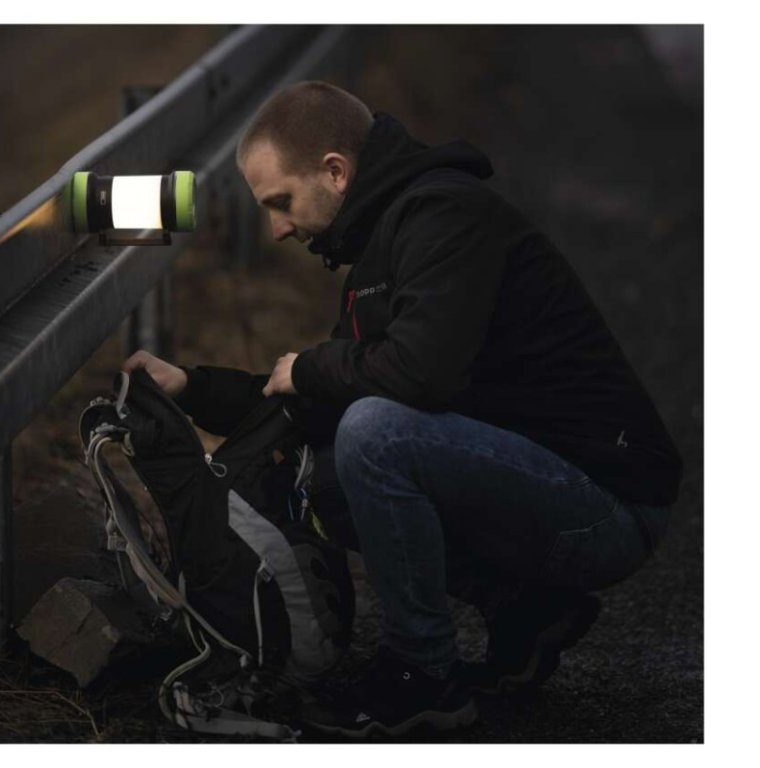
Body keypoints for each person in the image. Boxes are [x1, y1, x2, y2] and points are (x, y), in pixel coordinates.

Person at [123, 81, 682, 739]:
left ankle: (423, 678)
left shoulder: (444, 215)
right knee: (327, 470)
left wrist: (312, 367)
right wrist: (191, 387)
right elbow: (316, 400)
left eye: (281, 202)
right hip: (542, 486)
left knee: (374, 434)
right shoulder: (380, 250)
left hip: (607, 506)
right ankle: (525, 611)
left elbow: (422, 375)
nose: (276, 229)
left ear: (335, 172)